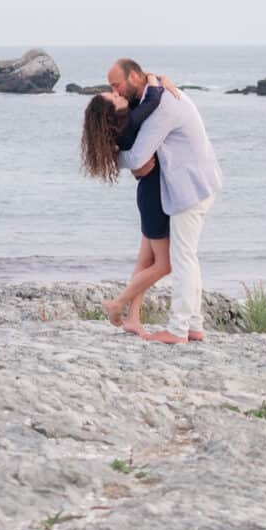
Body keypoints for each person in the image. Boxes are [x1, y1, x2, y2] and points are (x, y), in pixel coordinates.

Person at [107, 57, 222, 345]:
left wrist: (106, 160)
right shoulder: (152, 96)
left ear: (134, 77)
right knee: (187, 257)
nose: (116, 92)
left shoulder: (163, 107)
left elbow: (137, 157)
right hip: (194, 185)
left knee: (182, 259)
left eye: (116, 85)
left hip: (189, 188)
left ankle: (178, 329)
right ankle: (193, 325)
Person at [81, 73, 178, 336]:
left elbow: (142, 103)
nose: (119, 94)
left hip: (149, 193)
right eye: (114, 96)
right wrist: (154, 79)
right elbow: (152, 101)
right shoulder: (131, 124)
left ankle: (133, 318)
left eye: (114, 91)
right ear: (111, 114)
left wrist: (161, 80)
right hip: (154, 197)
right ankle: (118, 303)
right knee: (164, 264)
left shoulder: (126, 127)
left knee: (145, 260)